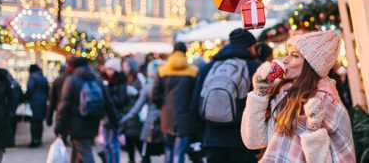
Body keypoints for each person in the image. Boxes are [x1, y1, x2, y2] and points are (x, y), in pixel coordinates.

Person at [241, 31, 356, 162]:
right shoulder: (283, 93)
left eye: (294, 56)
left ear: (311, 65)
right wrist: (260, 92)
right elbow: (254, 141)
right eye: (287, 54)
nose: (285, 60)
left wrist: (314, 130)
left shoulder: (325, 100)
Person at [191, 28, 260, 163]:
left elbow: (194, 105)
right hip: (243, 141)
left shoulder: (208, 67)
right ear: (251, 47)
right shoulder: (255, 67)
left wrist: (203, 135)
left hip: (212, 139)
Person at [55, 57, 118, 163]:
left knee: (85, 152)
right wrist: (114, 119)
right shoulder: (97, 79)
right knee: (79, 150)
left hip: (76, 123)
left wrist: (59, 127)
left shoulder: (72, 80)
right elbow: (108, 102)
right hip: (94, 120)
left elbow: (64, 105)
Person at [152, 42, 199, 163]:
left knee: (169, 150)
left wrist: (163, 107)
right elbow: (196, 96)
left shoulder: (162, 70)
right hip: (185, 116)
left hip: (167, 116)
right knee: (180, 152)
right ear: (185, 52)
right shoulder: (193, 71)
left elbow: (154, 95)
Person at [120, 59, 165, 163]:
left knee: (145, 153)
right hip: (164, 124)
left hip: (150, 125)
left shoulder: (146, 86)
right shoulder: (166, 86)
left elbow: (137, 108)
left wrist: (123, 119)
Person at [102, 57, 128, 163]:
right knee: (106, 144)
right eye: (107, 69)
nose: (109, 71)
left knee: (113, 143)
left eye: (111, 69)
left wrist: (109, 98)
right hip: (106, 116)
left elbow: (122, 99)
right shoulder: (105, 81)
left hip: (115, 116)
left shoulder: (120, 82)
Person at [122, 57, 144, 163]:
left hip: (136, 116)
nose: (125, 68)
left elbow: (144, 95)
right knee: (129, 145)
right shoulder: (123, 79)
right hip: (126, 116)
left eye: (127, 66)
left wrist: (135, 92)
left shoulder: (138, 78)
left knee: (138, 143)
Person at [0, 62, 16, 163]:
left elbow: (12, 98)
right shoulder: (3, 79)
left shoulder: (3, 79)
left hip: (0, 116)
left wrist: (8, 112)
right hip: (1, 115)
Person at [26, 64, 49, 148]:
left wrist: (26, 98)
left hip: (34, 102)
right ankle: (39, 139)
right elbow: (47, 89)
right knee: (39, 122)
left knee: (34, 122)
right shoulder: (43, 77)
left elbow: (29, 88)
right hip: (42, 102)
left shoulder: (32, 77)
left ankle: (34, 140)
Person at [0, 68, 21, 145]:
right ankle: (10, 141)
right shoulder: (11, 83)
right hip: (6, 111)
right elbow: (14, 97)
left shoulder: (4, 83)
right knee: (10, 127)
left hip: (4, 111)